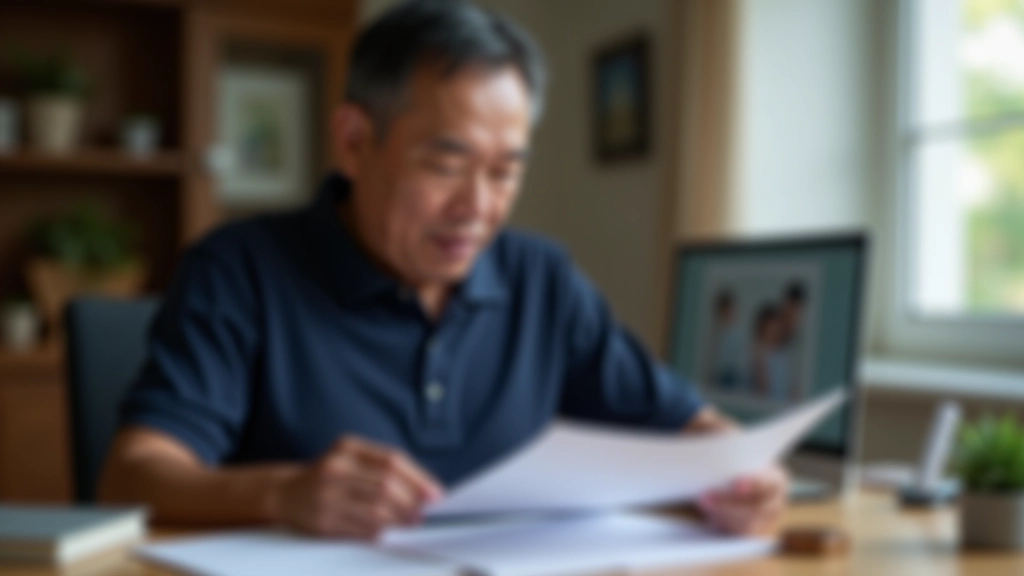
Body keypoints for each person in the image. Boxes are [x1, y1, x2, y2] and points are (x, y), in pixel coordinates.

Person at [99, 0, 787, 540]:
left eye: (504, 171)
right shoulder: (238, 269)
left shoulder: (541, 277)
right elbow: (132, 476)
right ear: (354, 141)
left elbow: (691, 427)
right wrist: (285, 492)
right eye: (446, 165)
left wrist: (741, 474)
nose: (478, 208)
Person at [709, 290, 742, 391]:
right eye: (724, 310)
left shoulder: (738, 333)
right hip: (720, 375)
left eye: (729, 309)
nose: (728, 313)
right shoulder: (716, 333)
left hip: (733, 374)